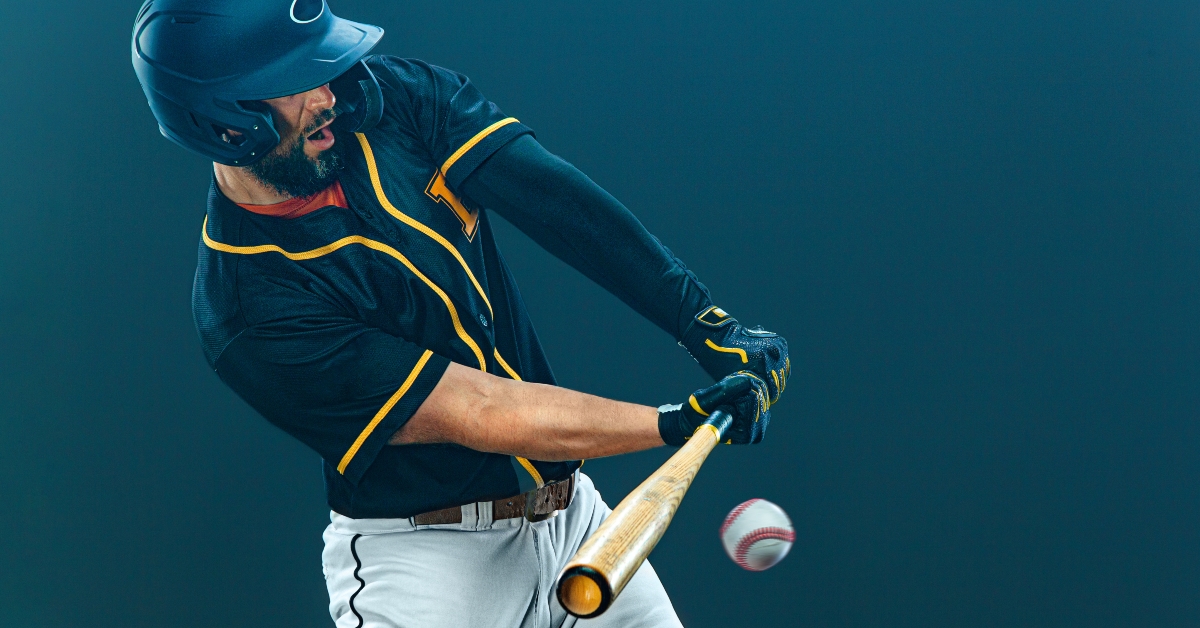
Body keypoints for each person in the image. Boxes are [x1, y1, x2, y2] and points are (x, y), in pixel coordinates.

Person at [131, 1, 790, 626]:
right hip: (428, 565)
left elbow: (562, 206)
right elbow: (482, 411)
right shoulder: (248, 307)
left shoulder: (396, 100)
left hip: (577, 523)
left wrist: (706, 325)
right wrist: (672, 423)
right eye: (292, 81)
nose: (326, 95)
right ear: (223, 119)